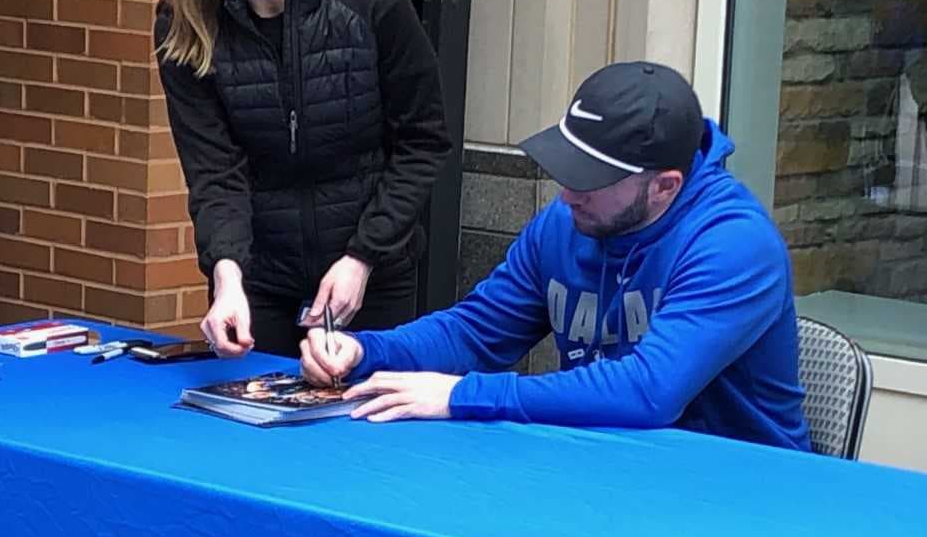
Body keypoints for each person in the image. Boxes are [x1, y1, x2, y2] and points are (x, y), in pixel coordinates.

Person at [301, 61, 812, 451]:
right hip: (610, 463)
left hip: (738, 488)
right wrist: (366, 351)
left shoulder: (733, 245)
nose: (567, 194)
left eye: (590, 179)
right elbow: (476, 332)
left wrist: (462, 396)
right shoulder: (570, 220)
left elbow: (650, 391)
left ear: (664, 186)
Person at [154, 0, 452, 358]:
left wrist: (362, 257)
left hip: (370, 277)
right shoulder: (183, 19)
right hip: (257, 279)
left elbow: (423, 142)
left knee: (357, 418)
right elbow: (215, 172)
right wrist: (227, 276)